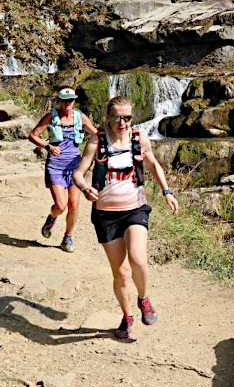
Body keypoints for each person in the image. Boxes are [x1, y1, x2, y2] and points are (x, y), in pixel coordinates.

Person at [73, 95, 179, 339]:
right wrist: (84, 188)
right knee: (120, 272)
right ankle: (127, 315)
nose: (122, 122)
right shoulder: (96, 141)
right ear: (108, 117)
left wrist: (167, 192)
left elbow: (153, 164)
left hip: (135, 208)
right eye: (117, 117)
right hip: (105, 214)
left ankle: (144, 299)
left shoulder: (139, 138)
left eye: (127, 117)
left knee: (138, 259)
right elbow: (79, 173)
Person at [29, 86, 97, 252]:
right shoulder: (51, 117)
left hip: (75, 167)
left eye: (71, 100)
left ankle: (68, 238)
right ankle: (52, 218)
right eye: (64, 100)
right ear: (58, 100)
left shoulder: (80, 117)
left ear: (74, 100)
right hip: (55, 166)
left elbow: (96, 134)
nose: (67, 103)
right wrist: (48, 146)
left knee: (74, 205)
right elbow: (33, 135)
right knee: (60, 205)